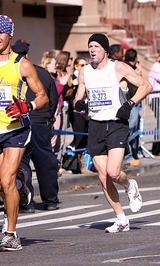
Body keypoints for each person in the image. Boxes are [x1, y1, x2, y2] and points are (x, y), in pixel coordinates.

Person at [73, 33, 152, 233]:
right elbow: (77, 98)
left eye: (96, 46)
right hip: (96, 125)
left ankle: (129, 185)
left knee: (114, 172)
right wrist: (79, 104)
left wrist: (130, 104)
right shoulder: (84, 72)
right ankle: (121, 218)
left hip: (116, 124)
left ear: (105, 50)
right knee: (102, 177)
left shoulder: (117, 67)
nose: (92, 50)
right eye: (90, 46)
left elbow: (146, 86)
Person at [0, 14, 49, 251]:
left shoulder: (22, 64)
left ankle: (11, 234)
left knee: (4, 179)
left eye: (1, 31)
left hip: (15, 129)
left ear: (9, 34)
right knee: (2, 184)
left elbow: (43, 97)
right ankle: (22, 185)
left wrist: (26, 106)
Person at [11, 39, 60, 213]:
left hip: (19, 123)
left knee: (21, 163)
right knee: (45, 162)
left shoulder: (12, 72)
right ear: (27, 54)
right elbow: (52, 99)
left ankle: (27, 201)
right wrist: (48, 118)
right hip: (40, 123)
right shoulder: (43, 73)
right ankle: (51, 200)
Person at [67, 57, 92, 174]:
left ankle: (83, 165)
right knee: (78, 138)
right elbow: (69, 94)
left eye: (86, 64)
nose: (85, 66)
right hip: (76, 112)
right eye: (82, 65)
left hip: (86, 111)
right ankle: (74, 164)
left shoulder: (87, 77)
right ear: (76, 66)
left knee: (85, 138)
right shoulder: (72, 78)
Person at [122, 48, 142, 167]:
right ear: (135, 58)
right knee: (129, 129)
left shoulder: (134, 69)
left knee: (134, 130)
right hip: (130, 102)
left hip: (135, 102)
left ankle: (133, 153)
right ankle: (127, 155)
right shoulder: (127, 69)